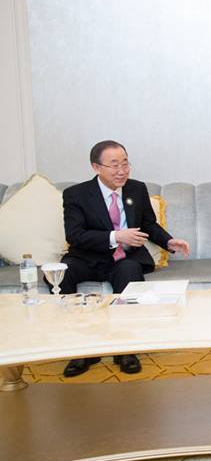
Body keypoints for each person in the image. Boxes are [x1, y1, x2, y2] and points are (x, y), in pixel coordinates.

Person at [59, 140, 191, 377]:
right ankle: (80, 349)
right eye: (114, 165)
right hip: (86, 258)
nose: (122, 171)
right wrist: (116, 236)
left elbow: (149, 223)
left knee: (130, 270)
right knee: (61, 273)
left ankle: (126, 349)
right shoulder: (76, 194)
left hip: (122, 260)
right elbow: (75, 235)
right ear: (96, 167)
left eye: (125, 163)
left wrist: (169, 242)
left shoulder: (136, 189)